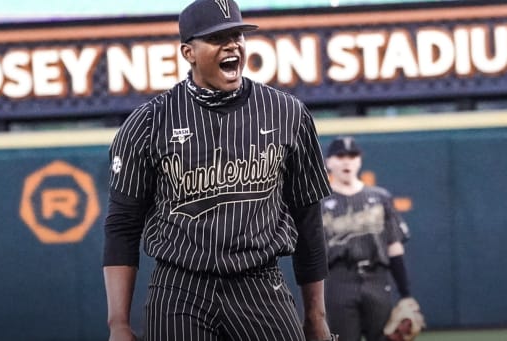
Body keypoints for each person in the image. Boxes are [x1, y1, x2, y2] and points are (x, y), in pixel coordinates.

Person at [102, 1, 336, 340]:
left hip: (259, 281)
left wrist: (316, 316)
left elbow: (308, 219)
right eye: (216, 38)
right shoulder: (149, 122)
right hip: (179, 284)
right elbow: (123, 225)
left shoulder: (287, 113)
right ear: (188, 52)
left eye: (237, 35)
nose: (232, 45)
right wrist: (118, 323)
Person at [321, 136, 413, 341]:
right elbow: (312, 255)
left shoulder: (380, 197)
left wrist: (405, 294)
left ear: (359, 161)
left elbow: (394, 247)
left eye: (352, 156)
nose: (347, 161)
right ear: (328, 162)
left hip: (377, 279)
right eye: (340, 155)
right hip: (338, 280)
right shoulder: (319, 203)